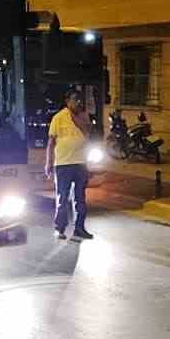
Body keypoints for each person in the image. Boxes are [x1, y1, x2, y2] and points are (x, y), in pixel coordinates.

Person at [45, 89, 95, 241]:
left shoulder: (84, 117)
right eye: (74, 99)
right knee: (62, 198)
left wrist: (80, 118)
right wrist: (48, 163)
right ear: (67, 101)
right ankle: (60, 228)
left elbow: (88, 133)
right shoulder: (58, 118)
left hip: (80, 164)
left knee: (80, 198)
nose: (78, 102)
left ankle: (80, 228)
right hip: (63, 164)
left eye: (79, 100)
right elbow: (51, 142)